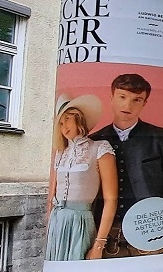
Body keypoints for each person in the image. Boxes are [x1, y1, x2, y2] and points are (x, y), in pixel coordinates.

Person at [89, 72, 163, 257]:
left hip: (148, 235)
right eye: (122, 97)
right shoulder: (95, 140)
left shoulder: (160, 138)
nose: (128, 105)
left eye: (136, 100)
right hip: (106, 236)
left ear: (144, 103)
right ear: (111, 97)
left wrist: (160, 230)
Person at [45, 95, 118, 261]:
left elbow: (111, 200)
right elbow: (51, 197)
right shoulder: (60, 153)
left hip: (80, 223)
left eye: (67, 119)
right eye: (60, 123)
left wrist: (99, 245)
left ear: (79, 118)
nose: (64, 126)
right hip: (57, 222)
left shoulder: (100, 148)